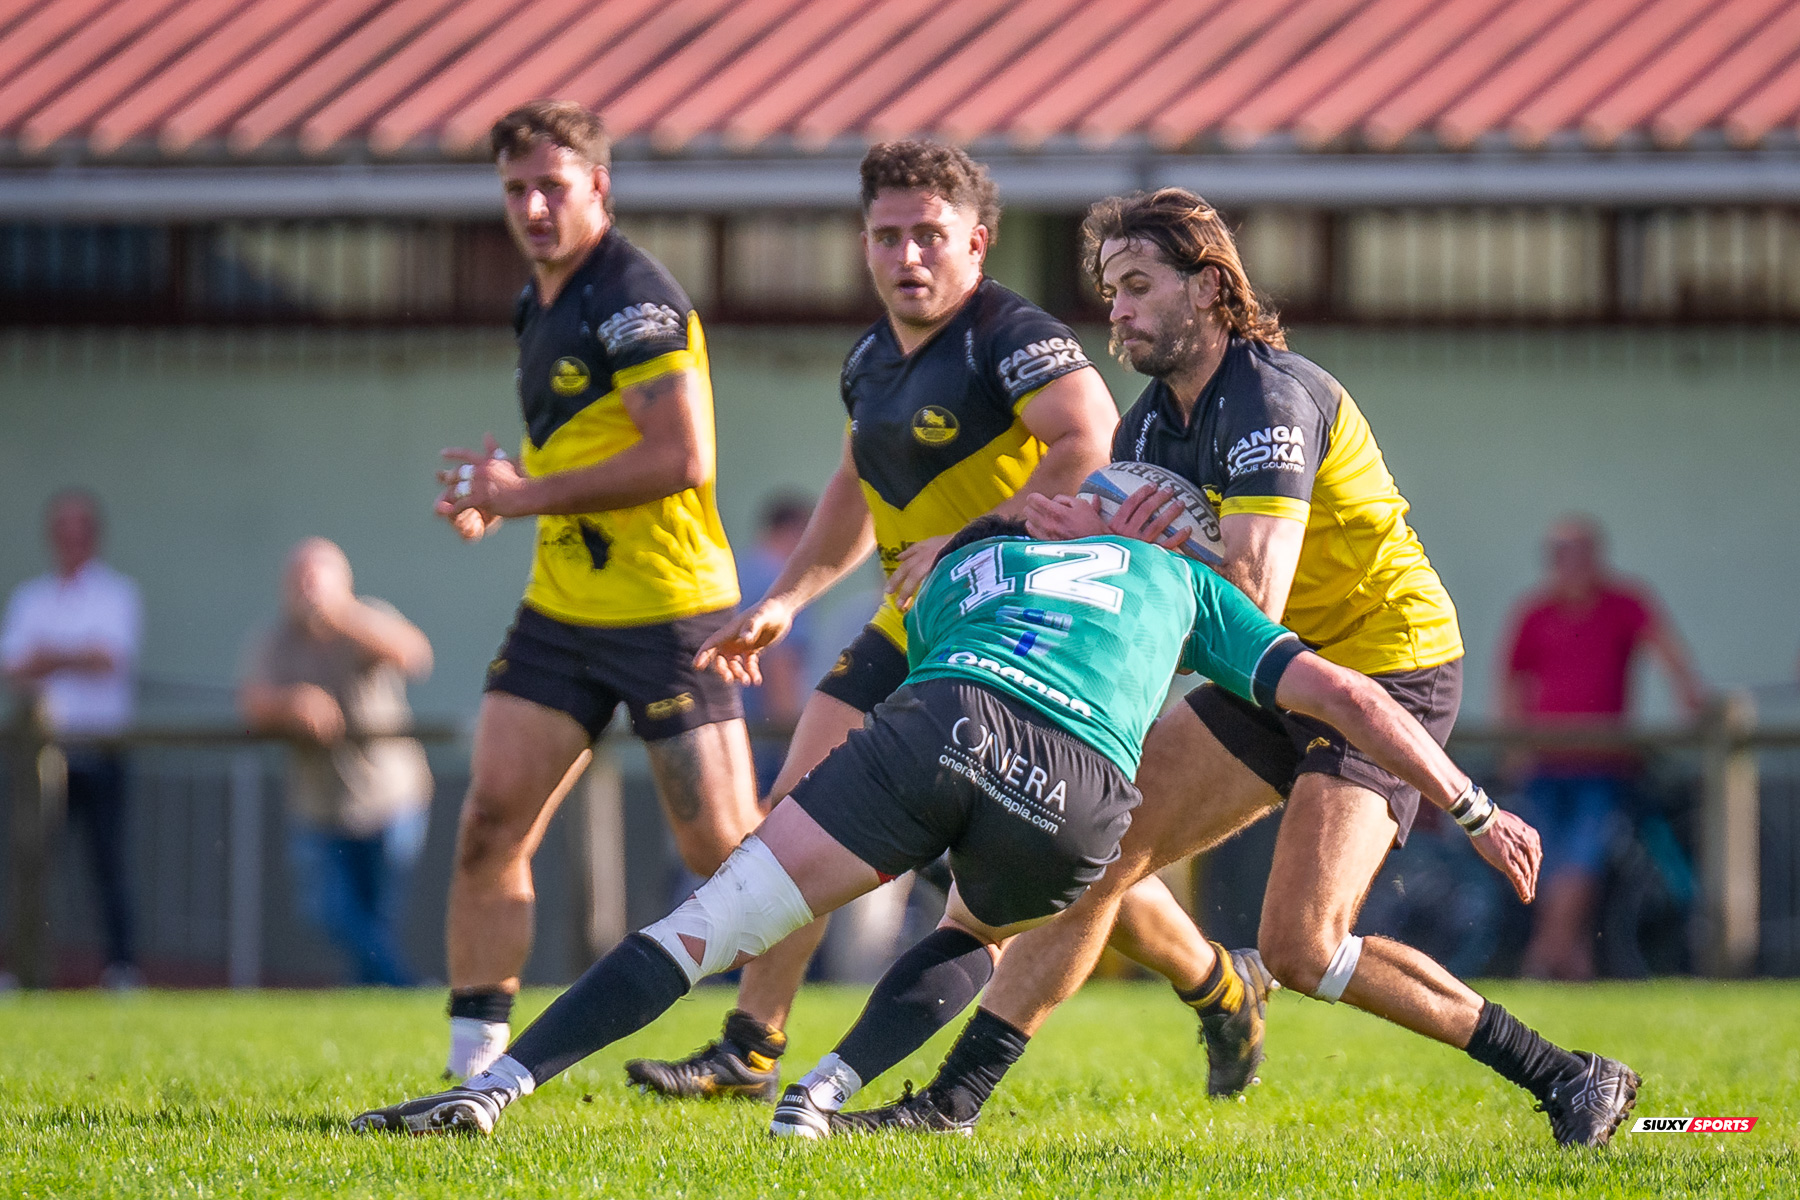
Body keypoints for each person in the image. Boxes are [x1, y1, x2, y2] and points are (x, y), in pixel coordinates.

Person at [842, 188, 1640, 1147]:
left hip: (1387, 669)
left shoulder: (1272, 399)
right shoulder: (1145, 433)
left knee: (1303, 948)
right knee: (1095, 854)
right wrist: (1054, 548)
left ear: (1209, 288)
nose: (1118, 311)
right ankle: (951, 1105)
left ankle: (1569, 1075)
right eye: (1111, 291)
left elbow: (1250, 596)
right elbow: (1172, 609)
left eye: (1139, 286)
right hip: (1274, 671)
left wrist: (1158, 553)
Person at [350, 514, 1540, 1138]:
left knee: (711, 921)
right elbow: (1352, 698)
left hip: (941, 723)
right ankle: (822, 1095)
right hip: (1079, 786)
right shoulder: (1191, 585)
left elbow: (917, 644)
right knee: (972, 930)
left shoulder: (971, 562)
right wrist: (1471, 805)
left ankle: (500, 1085)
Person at [623, 141, 1215, 1102]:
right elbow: (854, 487)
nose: (907, 256)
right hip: (912, 627)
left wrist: (978, 537)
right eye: (887, 236)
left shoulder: (1008, 336)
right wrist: (784, 601)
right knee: (798, 809)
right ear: (863, 243)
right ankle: (749, 1047)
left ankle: (1214, 981)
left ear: (976, 243)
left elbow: (1090, 436)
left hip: (1006, 632)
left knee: (1030, 865)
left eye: (929, 235)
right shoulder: (871, 360)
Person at [431, 100, 760, 1077]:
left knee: (732, 856)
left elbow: (681, 456)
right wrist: (501, 500)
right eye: (515, 190)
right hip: (563, 613)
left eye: (552, 187)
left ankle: (762, 1039)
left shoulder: (633, 297)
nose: (533, 207)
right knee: (490, 824)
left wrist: (523, 494)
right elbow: (583, 447)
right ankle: (472, 1069)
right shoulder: (538, 300)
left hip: (671, 613)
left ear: (599, 188)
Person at [1501, 514, 1705, 980]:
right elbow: (1512, 680)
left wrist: (1688, 696)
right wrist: (1513, 747)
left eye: (1578, 555)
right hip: (1545, 763)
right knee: (1545, 860)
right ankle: (1574, 961)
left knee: (1582, 859)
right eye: (1560, 556)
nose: (1569, 565)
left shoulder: (1624, 604)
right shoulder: (1535, 613)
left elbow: (1667, 650)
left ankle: (1541, 957)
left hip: (1603, 764)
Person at [239, 539, 435, 986]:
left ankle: (376, 994)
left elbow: (415, 656)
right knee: (329, 912)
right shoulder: (276, 640)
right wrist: (292, 704)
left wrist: (344, 615)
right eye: (298, 579)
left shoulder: (368, 618)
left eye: (316, 578)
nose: (307, 590)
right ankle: (403, 987)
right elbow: (251, 703)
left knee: (378, 918)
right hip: (318, 808)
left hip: (390, 799)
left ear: (343, 581)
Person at [2, 489, 143, 988]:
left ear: (94, 536)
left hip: (101, 753)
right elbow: (12, 666)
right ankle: (22, 969)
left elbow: (109, 657)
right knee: (31, 863)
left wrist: (48, 657)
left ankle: (121, 969)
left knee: (108, 864)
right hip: (41, 757)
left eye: (80, 529)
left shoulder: (117, 594)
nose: (71, 539)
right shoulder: (31, 598)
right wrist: (70, 656)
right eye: (63, 529)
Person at [735, 492, 815, 793]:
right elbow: (781, 665)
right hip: (764, 737)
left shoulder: (738, 573)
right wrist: (790, 746)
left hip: (723, 728)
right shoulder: (784, 587)